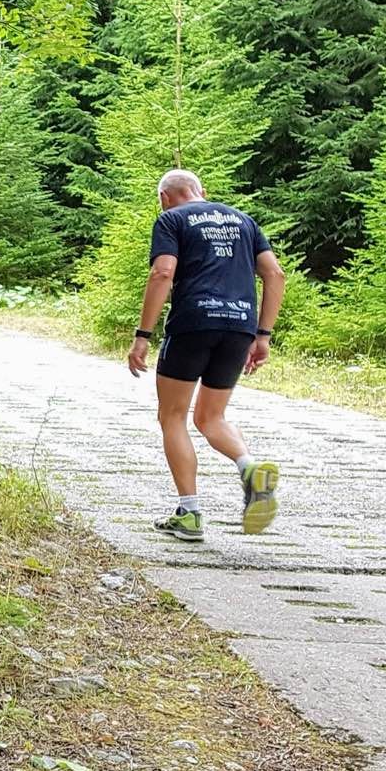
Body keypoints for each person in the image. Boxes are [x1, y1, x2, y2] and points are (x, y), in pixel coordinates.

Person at [125, 168, 286, 541]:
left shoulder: (171, 219)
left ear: (164, 197)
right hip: (240, 327)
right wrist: (262, 336)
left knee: (173, 415)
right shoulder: (244, 220)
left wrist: (142, 336)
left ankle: (190, 513)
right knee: (211, 417)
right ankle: (250, 468)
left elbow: (163, 273)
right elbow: (275, 275)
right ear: (202, 191)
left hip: (194, 323)